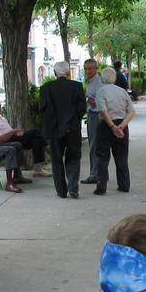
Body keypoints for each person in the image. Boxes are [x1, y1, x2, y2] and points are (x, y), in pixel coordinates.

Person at [39, 61, 86, 199]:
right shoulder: (76, 86)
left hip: (53, 129)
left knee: (56, 160)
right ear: (68, 73)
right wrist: (74, 118)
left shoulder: (46, 88)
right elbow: (82, 107)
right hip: (72, 128)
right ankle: (73, 187)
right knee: (73, 158)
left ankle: (61, 190)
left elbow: (42, 108)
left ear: (55, 73)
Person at [93, 67, 135, 195]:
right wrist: (121, 126)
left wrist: (112, 126)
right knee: (122, 156)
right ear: (115, 78)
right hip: (122, 124)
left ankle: (101, 187)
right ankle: (124, 184)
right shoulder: (122, 92)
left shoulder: (101, 92)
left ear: (102, 78)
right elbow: (132, 111)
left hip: (106, 126)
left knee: (102, 157)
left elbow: (103, 111)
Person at [0, 98, 51, 177]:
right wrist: (13, 131)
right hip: (5, 142)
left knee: (36, 140)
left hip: (13, 137)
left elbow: (8, 131)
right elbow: (0, 139)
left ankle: (38, 169)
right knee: (34, 132)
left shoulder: (0, 117)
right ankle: (49, 150)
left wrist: (16, 132)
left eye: (0, 106)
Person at [81, 59, 104, 185]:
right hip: (91, 115)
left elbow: (99, 103)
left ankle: (94, 174)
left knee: (94, 146)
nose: (87, 71)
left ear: (95, 69)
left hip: (96, 115)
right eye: (85, 69)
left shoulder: (97, 82)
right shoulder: (91, 81)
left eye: (90, 68)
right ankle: (98, 173)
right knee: (95, 145)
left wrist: (88, 99)